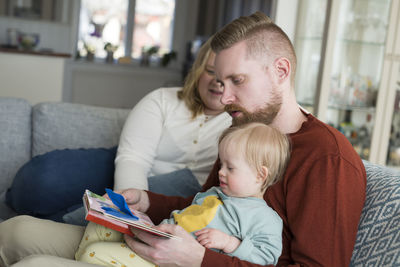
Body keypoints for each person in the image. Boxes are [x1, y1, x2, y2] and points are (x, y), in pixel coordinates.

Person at [0, 11, 366, 267]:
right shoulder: (240, 132)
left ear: (281, 71)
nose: (223, 99)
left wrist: (200, 260)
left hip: (186, 262)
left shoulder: (326, 158)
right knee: (14, 232)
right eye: (221, 83)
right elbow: (205, 205)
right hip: (168, 247)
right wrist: (147, 200)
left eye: (237, 81)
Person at [5, 37, 232, 225]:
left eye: (228, 78)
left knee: (69, 220)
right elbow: (133, 158)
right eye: (211, 71)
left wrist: (131, 211)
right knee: (41, 179)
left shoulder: (239, 123)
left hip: (174, 195)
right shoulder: (162, 99)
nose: (217, 83)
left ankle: (30, 228)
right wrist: (129, 202)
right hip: (123, 169)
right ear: (198, 69)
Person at [75, 122, 290, 267]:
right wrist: (143, 219)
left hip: (171, 261)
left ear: (260, 175)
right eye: (221, 164)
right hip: (159, 239)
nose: (221, 172)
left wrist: (230, 244)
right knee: (99, 225)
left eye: (230, 168)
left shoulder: (265, 218)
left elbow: (267, 258)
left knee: (92, 253)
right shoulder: (215, 193)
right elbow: (183, 216)